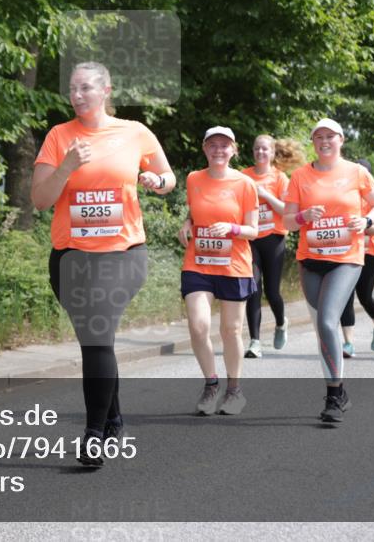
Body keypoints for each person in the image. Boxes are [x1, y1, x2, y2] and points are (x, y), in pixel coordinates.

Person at [31, 61, 175, 466]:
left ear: (106, 90)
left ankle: (94, 435)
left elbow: (168, 177)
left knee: (96, 335)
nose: (77, 96)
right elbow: (40, 200)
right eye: (72, 89)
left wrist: (157, 182)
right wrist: (67, 166)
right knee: (97, 342)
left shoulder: (134, 132)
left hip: (122, 253)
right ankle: (113, 417)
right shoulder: (59, 137)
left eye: (86, 88)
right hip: (70, 258)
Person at [282, 118, 374, 423]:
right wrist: (303, 216)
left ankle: (334, 395)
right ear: (313, 142)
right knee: (323, 330)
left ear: (341, 140)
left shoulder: (357, 172)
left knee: (328, 321)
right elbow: (287, 221)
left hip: (346, 258)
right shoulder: (300, 176)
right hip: (310, 260)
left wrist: (366, 221)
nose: (324, 141)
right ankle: (340, 390)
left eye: (330, 136)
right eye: (319, 137)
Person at [178, 127, 259, 415]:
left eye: (224, 145)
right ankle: (211, 385)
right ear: (204, 148)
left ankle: (234, 390)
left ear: (234, 150)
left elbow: (253, 230)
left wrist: (232, 228)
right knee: (198, 325)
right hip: (198, 262)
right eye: (212, 145)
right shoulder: (193, 179)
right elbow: (194, 213)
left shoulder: (245, 183)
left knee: (231, 329)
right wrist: (187, 224)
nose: (218, 150)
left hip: (233, 265)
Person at [241, 135, 291, 358]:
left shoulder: (280, 178)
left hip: (273, 239)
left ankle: (281, 323)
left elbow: (286, 211)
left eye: (264, 149)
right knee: (253, 287)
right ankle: (255, 341)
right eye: (257, 149)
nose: (260, 152)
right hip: (250, 239)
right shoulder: (243, 176)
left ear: (272, 153)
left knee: (272, 292)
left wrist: (265, 195)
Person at [339, 159, 374, 357]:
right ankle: (348, 343)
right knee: (345, 296)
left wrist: (361, 224)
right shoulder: (344, 197)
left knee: (365, 297)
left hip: (369, 253)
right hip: (347, 253)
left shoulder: (373, 200)